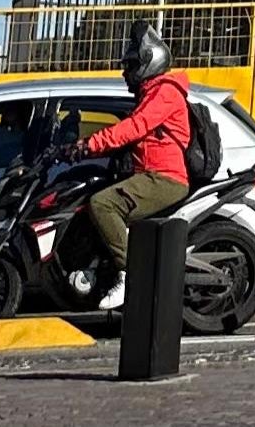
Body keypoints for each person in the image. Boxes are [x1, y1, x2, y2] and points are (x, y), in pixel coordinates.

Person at [76, 26, 191, 312]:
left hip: (164, 177)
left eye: (131, 65)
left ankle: (129, 274)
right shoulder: (151, 93)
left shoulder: (165, 93)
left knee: (103, 204)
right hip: (148, 174)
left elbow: (133, 128)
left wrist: (90, 144)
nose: (125, 73)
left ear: (149, 62)